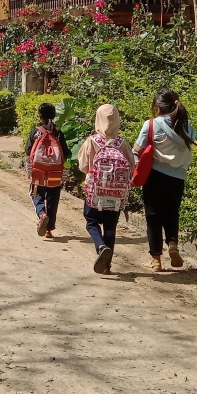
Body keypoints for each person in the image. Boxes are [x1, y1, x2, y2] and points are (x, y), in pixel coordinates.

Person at [134, 88, 197, 272]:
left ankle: (155, 260)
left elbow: (136, 151)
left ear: (158, 108)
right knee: (172, 212)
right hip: (178, 178)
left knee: (153, 216)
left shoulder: (151, 125)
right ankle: (173, 243)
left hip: (155, 176)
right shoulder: (187, 128)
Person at [77, 103, 135, 274]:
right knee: (110, 227)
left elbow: (83, 166)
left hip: (95, 193)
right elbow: (132, 167)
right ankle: (107, 266)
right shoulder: (122, 143)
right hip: (116, 196)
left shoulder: (92, 141)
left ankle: (100, 246)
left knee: (92, 222)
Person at [25, 102, 70, 239]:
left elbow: (28, 151)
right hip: (55, 174)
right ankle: (48, 230)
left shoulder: (36, 131)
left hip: (38, 171)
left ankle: (41, 215)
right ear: (54, 116)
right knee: (53, 199)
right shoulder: (58, 133)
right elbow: (66, 153)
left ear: (40, 116)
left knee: (36, 194)